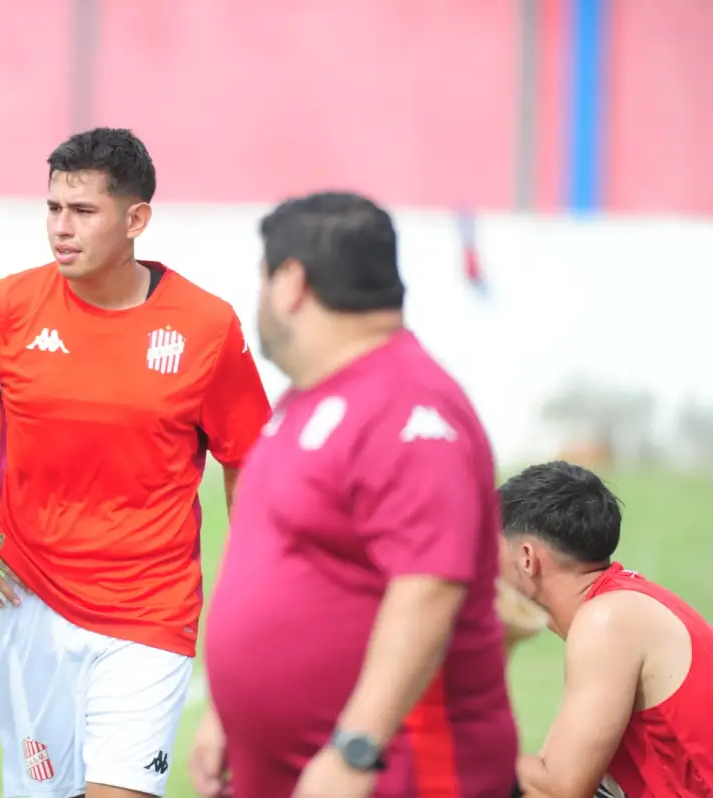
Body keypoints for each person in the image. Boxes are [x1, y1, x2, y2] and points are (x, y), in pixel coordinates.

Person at [0, 127, 272, 798]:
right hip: (31, 600)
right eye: (54, 209)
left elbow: (250, 466)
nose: (61, 228)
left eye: (83, 211)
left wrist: (252, 595)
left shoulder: (207, 327)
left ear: (136, 219)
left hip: (152, 612)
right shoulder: (5, 308)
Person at [193, 191, 519, 798]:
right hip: (288, 768)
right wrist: (226, 714)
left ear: (290, 284)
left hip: (393, 773)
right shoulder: (308, 398)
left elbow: (429, 587)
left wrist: (356, 748)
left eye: (262, 278)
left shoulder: (409, 405)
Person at [500, 461, 713, 798]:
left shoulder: (608, 621)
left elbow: (560, 788)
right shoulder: (625, 603)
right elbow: (545, 775)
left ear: (527, 558)